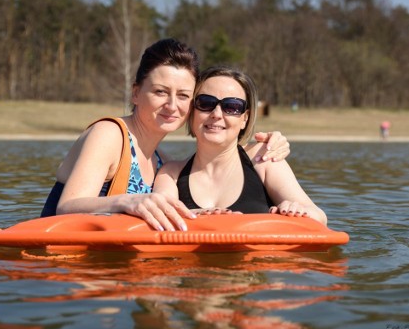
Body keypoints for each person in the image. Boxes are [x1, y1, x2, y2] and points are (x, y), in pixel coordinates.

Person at [40, 38, 290, 231]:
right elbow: (66, 207)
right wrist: (128, 202)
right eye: (160, 92)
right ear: (136, 93)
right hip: (64, 274)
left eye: (183, 95)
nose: (172, 106)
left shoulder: (162, 160)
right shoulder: (110, 135)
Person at [153, 66, 327, 225]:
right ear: (192, 111)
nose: (217, 114)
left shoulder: (263, 159)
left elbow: (319, 216)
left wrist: (297, 211)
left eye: (232, 107)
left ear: (245, 118)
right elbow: (160, 215)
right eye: (206, 103)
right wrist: (195, 215)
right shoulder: (171, 173)